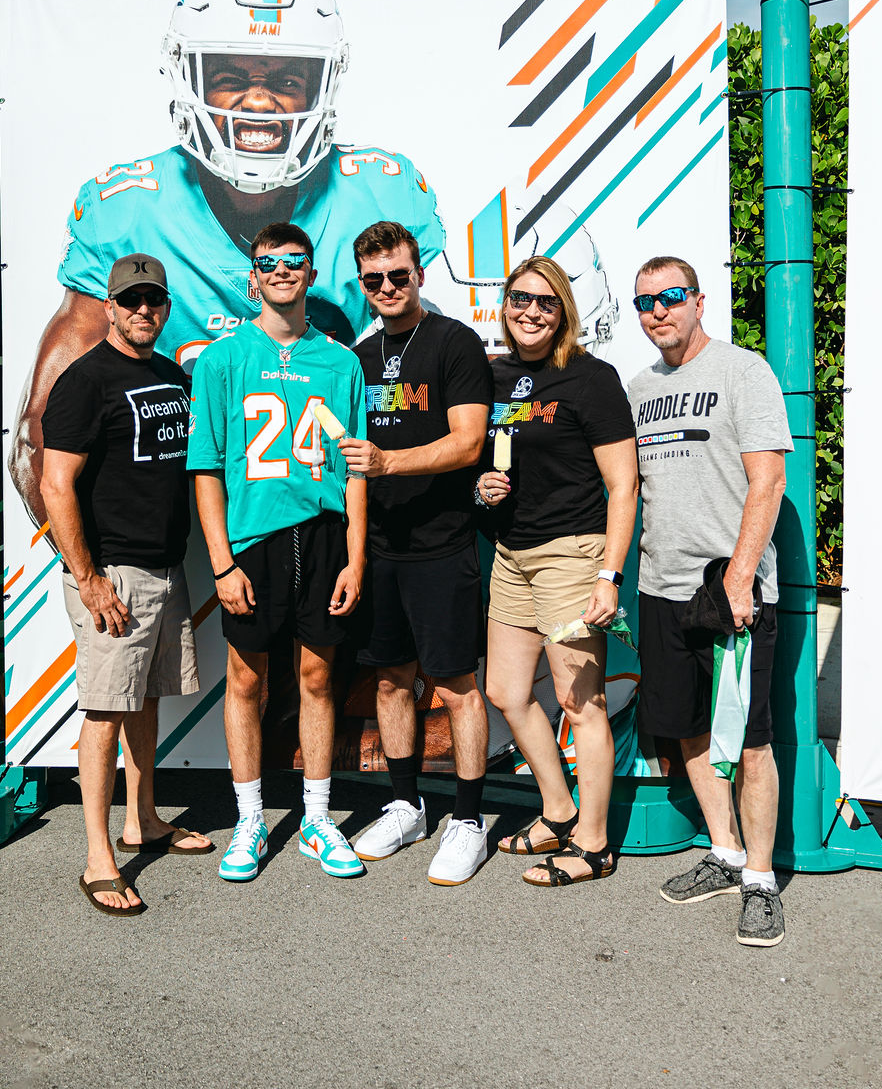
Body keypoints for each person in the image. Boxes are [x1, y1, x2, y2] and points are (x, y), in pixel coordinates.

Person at [10, 0, 445, 526]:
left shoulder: (380, 195)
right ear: (187, 76)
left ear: (323, 83)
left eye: (287, 78)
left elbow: (435, 378)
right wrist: (91, 565)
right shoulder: (128, 211)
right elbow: (40, 434)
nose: (259, 100)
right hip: (178, 517)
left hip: (333, 508)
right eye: (230, 76)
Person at [187, 221, 368, 881]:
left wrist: (355, 558)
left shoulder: (342, 362)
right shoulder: (222, 359)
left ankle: (317, 819)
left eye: (296, 260)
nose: (283, 271)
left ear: (311, 274)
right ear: (253, 277)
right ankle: (250, 819)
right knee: (246, 681)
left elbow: (356, 471)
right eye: (270, 262)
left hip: (322, 536)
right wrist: (222, 562)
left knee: (318, 679)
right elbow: (206, 469)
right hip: (253, 541)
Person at [40, 253, 211, 917]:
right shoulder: (85, 381)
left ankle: (144, 820)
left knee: (145, 701)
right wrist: (89, 579)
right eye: (131, 300)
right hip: (114, 577)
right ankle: (97, 859)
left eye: (154, 300)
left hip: (165, 567)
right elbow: (55, 485)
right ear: (109, 307)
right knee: (106, 711)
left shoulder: (170, 375)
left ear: (166, 307)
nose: (144, 310)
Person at [628, 256, 791, 947]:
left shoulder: (742, 371)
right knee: (689, 730)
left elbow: (769, 479)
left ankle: (760, 879)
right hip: (660, 588)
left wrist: (741, 577)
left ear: (698, 301)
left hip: (729, 592)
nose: (657, 311)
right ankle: (724, 853)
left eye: (670, 296)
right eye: (645, 302)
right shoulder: (639, 388)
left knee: (750, 742)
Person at [338, 220, 493, 885]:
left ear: (420, 274)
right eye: (373, 279)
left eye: (398, 274)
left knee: (456, 688)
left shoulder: (455, 342)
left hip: (443, 545)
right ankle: (406, 806)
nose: (387, 287)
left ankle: (468, 820)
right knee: (390, 681)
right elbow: (349, 463)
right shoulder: (358, 357)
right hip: (380, 549)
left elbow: (468, 442)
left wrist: (388, 462)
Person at [476, 255, 637, 888]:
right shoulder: (493, 377)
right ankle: (558, 810)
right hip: (511, 554)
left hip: (572, 555)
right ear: (505, 306)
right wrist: (480, 487)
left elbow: (623, 486)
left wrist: (609, 575)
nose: (531, 312)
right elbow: (482, 459)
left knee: (580, 701)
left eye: (546, 302)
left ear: (564, 311)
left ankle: (594, 845)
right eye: (521, 299)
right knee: (506, 692)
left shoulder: (591, 378)